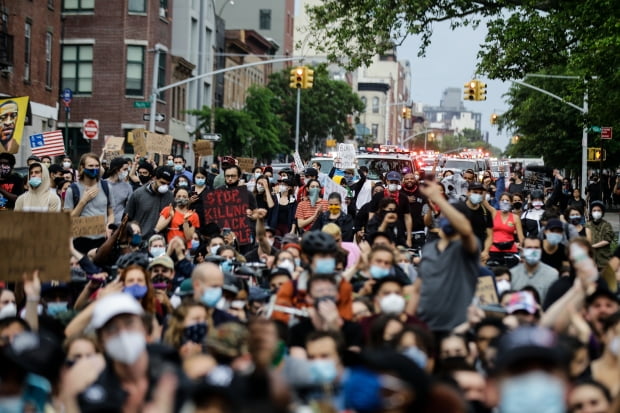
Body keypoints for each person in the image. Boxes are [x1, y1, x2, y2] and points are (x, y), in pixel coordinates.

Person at [414, 180, 479, 334]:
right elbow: (417, 289)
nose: (446, 219)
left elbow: (465, 230)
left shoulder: (467, 247)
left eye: (450, 216)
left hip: (457, 329)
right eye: (444, 215)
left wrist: (439, 199)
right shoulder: (429, 249)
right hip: (426, 329)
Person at [64, 153, 114, 253]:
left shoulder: (106, 187)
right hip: (80, 240)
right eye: (90, 166)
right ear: (82, 168)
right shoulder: (73, 190)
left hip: (101, 239)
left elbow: (111, 213)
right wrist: (83, 201)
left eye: (96, 166)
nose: (94, 169)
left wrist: (109, 226)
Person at [125, 166, 174, 239]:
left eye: (168, 184)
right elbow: (127, 219)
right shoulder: (138, 194)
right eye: (162, 183)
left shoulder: (170, 196)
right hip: (139, 239)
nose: (165, 186)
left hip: (160, 242)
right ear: (154, 178)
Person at [368, 171, 413, 247]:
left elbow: (407, 217)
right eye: (391, 182)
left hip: (398, 231)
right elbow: (371, 214)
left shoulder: (403, 197)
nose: (393, 184)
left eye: (395, 182)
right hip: (380, 230)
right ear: (387, 181)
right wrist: (372, 228)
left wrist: (409, 238)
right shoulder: (378, 196)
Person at [509, 236, 559, 302]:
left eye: (536, 248)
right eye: (529, 248)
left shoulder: (552, 275)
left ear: (541, 251)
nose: (532, 251)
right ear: (522, 251)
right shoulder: (512, 274)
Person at [487, 192, 524, 267]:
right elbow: (484, 203)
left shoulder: (515, 217)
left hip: (510, 251)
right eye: (502, 200)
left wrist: (526, 251)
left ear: (511, 203)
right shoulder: (494, 213)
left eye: (507, 200)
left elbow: (521, 237)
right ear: (499, 202)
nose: (505, 202)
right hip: (494, 250)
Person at [104, 157, 133, 225]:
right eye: (125, 169)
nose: (127, 172)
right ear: (117, 169)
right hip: (104, 224)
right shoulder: (103, 185)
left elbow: (130, 207)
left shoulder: (128, 186)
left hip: (120, 226)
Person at [586, 200, 614, 271]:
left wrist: (592, 246)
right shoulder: (587, 225)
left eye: (599, 210)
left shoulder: (607, 225)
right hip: (590, 259)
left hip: (603, 259)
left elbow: (607, 240)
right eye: (594, 210)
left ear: (602, 212)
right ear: (591, 212)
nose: (596, 212)